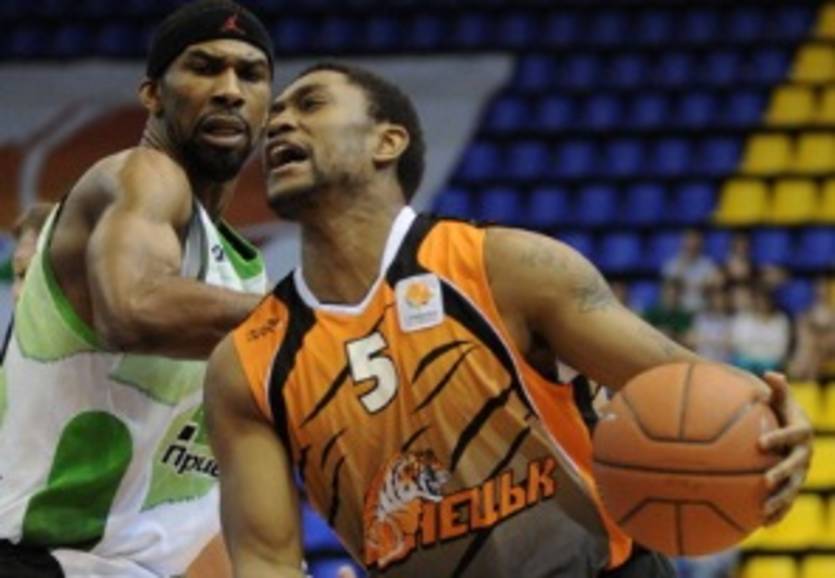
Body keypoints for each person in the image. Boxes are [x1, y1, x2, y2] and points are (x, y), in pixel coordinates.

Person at [205, 63, 813, 578]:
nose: (278, 122)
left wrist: (777, 424)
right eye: (275, 113)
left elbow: (691, 388)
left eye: (310, 104)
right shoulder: (248, 362)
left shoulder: (506, 266)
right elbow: (265, 559)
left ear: (386, 142)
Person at [0, 1, 274, 577]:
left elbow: (187, 519)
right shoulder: (143, 174)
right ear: (152, 94)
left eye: (250, 74)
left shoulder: (244, 279)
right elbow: (134, 308)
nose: (230, 90)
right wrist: (320, 318)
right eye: (205, 67)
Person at [662, 228, 720, 313]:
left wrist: (703, 287)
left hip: (702, 311)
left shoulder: (708, 265)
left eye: (695, 240)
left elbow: (713, 289)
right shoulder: (672, 265)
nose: (692, 244)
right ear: (683, 242)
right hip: (678, 312)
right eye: (689, 239)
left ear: (700, 243)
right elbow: (667, 292)